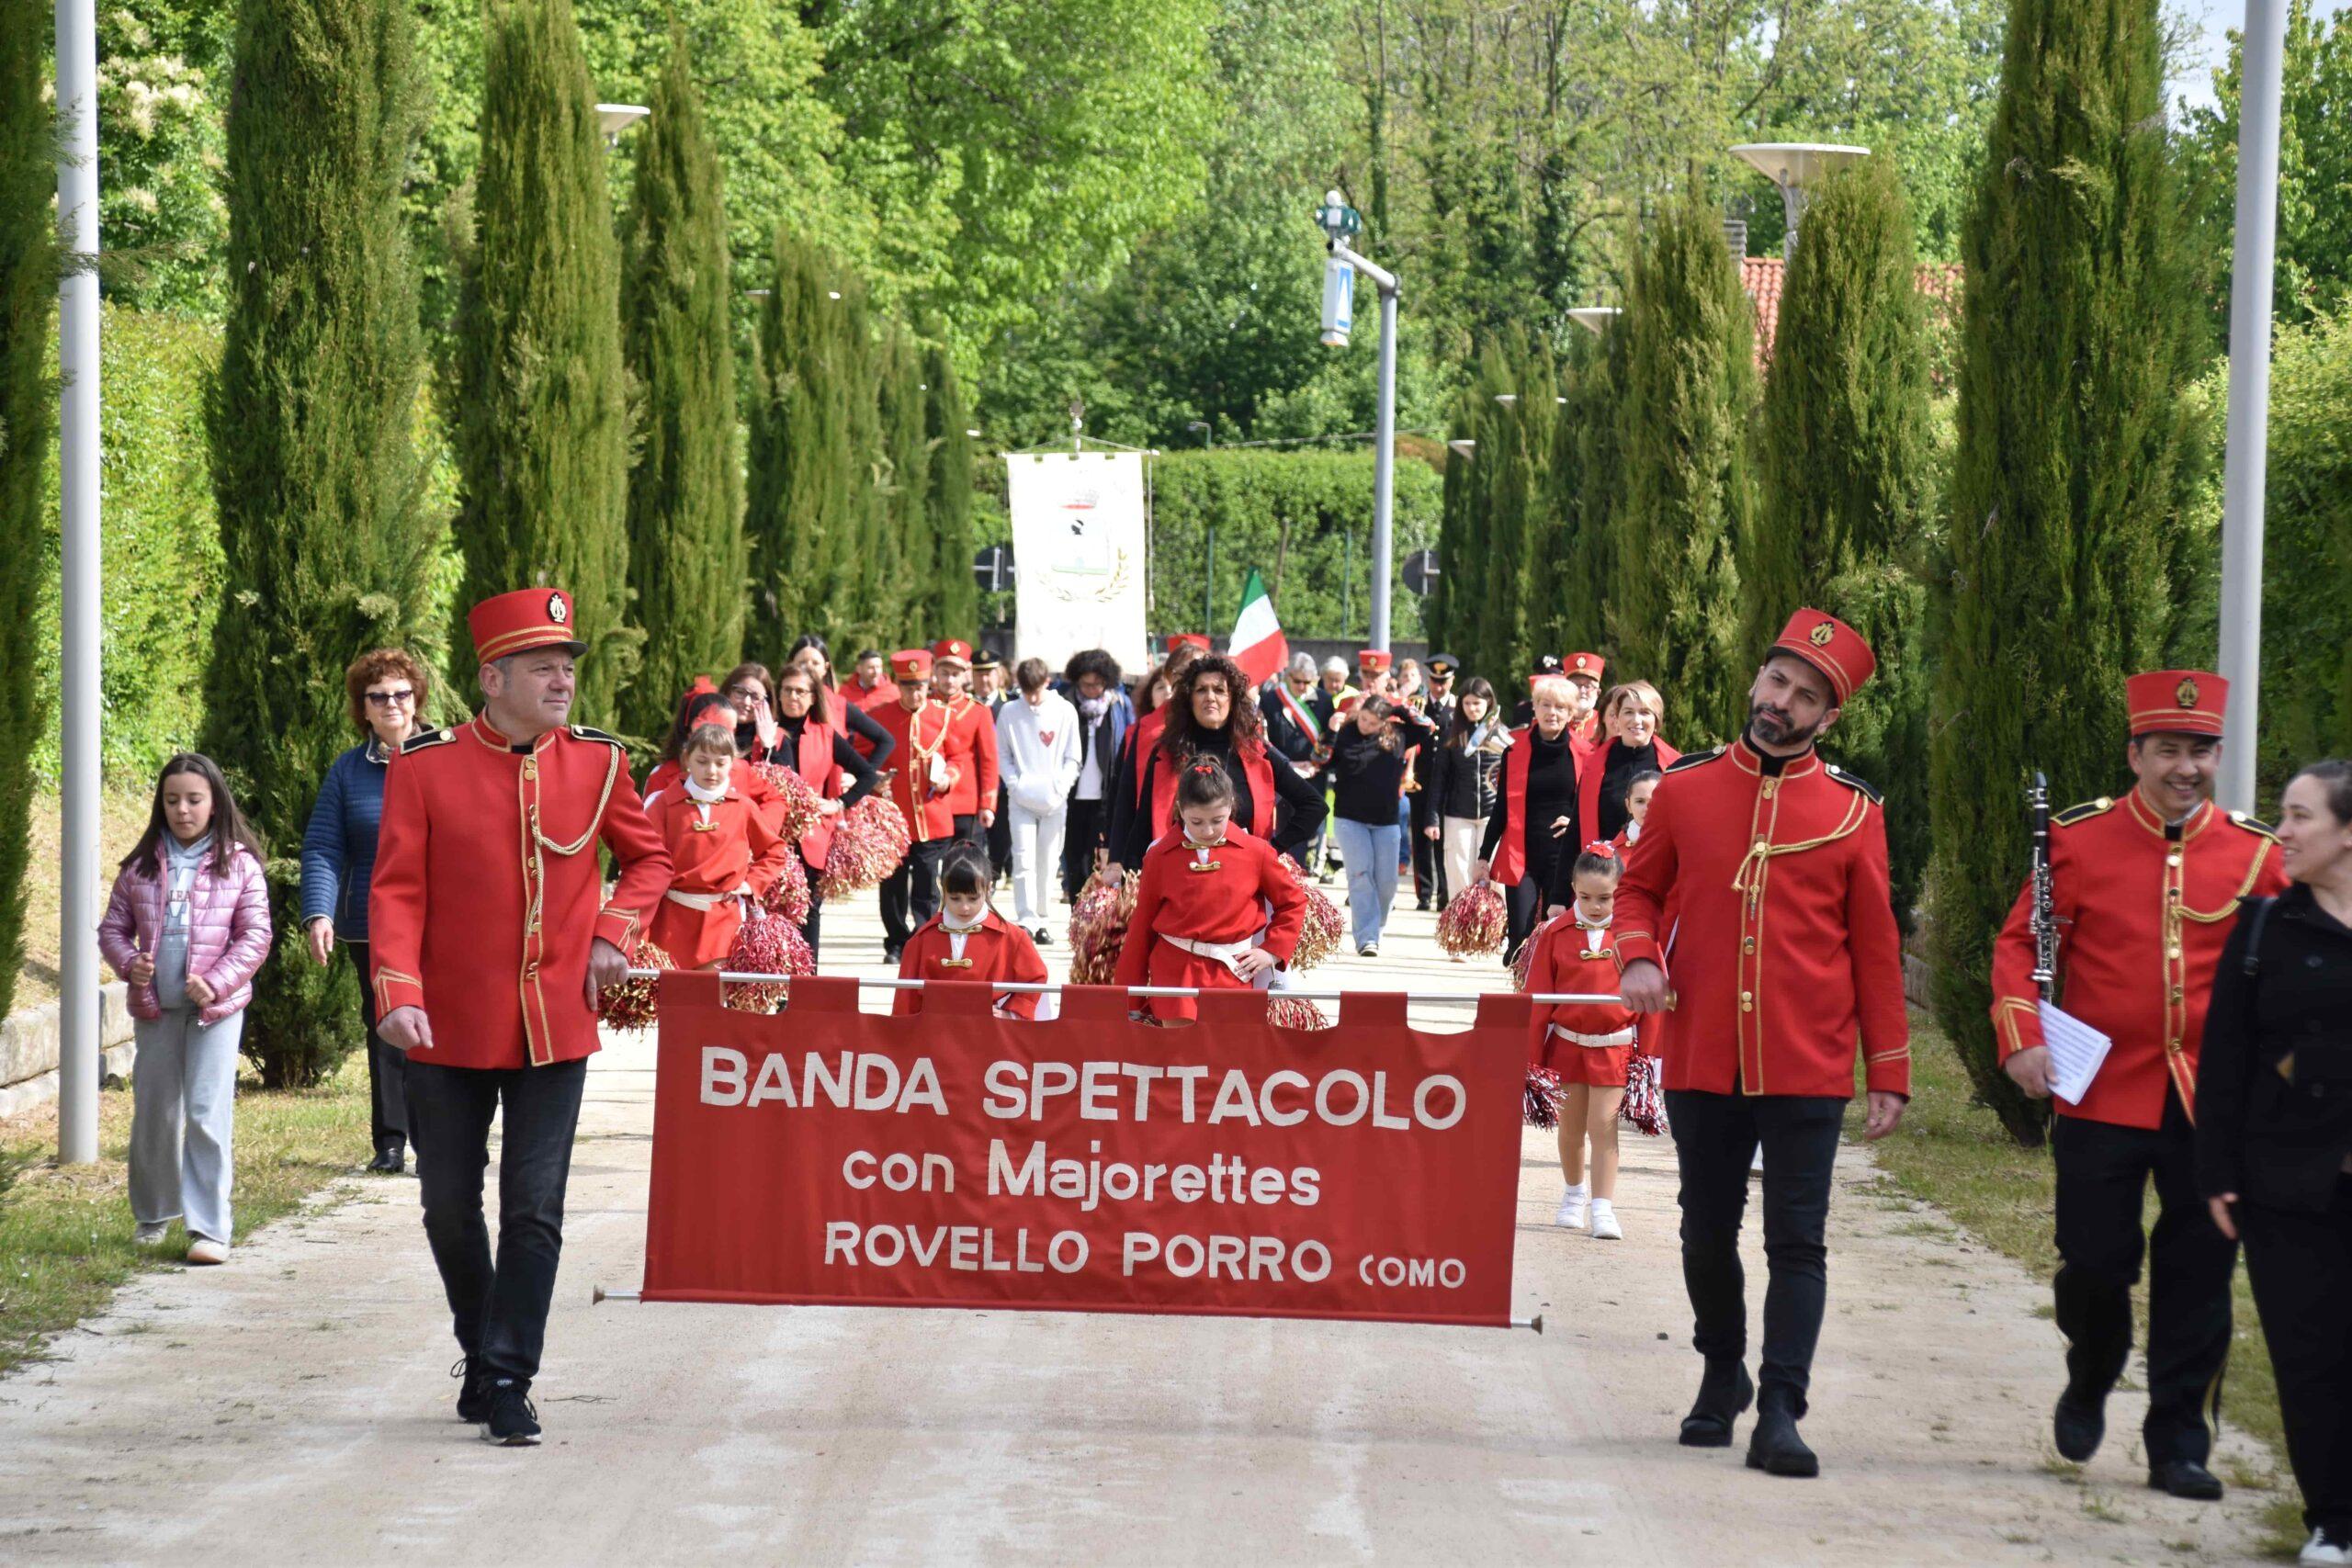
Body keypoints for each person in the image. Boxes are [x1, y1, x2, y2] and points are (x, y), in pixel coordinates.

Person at [368, 587, 674, 1446]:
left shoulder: (600, 764)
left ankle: (508, 1375)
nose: (562, 680)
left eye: (568, 665)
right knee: (445, 1206)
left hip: (554, 1026)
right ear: (491, 677)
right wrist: (398, 993)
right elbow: (395, 890)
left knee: (534, 1209)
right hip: (448, 1026)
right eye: (542, 666)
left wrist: (615, 933)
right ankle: (480, 1341)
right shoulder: (424, 767)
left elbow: (649, 861)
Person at [1614, 607, 1909, 1479]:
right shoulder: (1686, 789)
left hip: (1807, 1059)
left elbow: (1877, 946)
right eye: (1778, 680)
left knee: (1797, 1239)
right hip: (1703, 1049)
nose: (1782, 701)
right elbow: (1637, 893)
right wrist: (1636, 955)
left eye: (1805, 695)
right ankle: (1720, 1373)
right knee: (1705, 1231)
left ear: (1829, 716)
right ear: (1758, 679)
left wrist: (1887, 1067)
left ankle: (1781, 1405)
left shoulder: (1853, 812)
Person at [1989, 669, 2286, 1499]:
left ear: (2217, 754)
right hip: (2102, 1090)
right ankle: (2091, 1373)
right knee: (2092, 1263)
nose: (2184, 767)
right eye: (2167, 750)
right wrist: (2020, 1039)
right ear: (2136, 753)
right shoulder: (2079, 840)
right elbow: (2020, 948)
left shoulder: (2260, 854)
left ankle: (2180, 1439)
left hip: (2212, 1102)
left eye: (2199, 751)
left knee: (2198, 1273)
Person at [2197, 760, 2352, 1566]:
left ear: (2348, 830)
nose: (2280, 832)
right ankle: (2333, 1517)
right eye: (2283, 814)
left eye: (2299, 816)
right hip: (2290, 1182)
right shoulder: (2263, 928)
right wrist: (2217, 1171)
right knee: (2310, 1352)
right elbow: (2224, 1062)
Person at [99, 753, 272, 1268]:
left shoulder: (239, 863)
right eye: (172, 800)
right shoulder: (140, 865)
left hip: (214, 1012)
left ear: (215, 802)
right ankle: (153, 1216)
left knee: (205, 1113)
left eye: (194, 800)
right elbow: (112, 929)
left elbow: (255, 936)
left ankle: (209, 1229)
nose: (182, 810)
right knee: (155, 1112)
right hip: (155, 1010)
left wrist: (215, 983)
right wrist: (131, 963)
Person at [300, 648, 431, 1175]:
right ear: (364, 708)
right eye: (378, 696)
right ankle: (392, 1142)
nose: (392, 703)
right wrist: (320, 912)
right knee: (387, 1027)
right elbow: (324, 847)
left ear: (417, 697)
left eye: (401, 693)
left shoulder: (447, 755)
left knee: (440, 1032)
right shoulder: (348, 772)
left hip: (441, 923)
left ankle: (439, 1139)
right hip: (371, 926)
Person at [1114, 760, 1309, 1023]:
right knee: (1181, 1058)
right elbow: (1142, 926)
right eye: (1196, 821)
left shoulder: (1257, 852)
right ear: (1181, 810)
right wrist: (1130, 994)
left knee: (1228, 1059)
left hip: (1232, 972)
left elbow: (1293, 902)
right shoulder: (1159, 856)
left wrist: (1272, 950)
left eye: (1217, 820)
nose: (1207, 831)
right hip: (1174, 974)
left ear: (1230, 806)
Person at [1105, 653, 1329, 875]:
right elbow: (1142, 823)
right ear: (1189, 699)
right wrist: (1128, 876)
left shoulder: (1258, 753)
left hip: (1243, 884)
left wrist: (1273, 850)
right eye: (1201, 690)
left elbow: (1314, 806)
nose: (1210, 697)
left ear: (1232, 698)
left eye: (1219, 690)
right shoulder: (1165, 753)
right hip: (1179, 883)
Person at [1527, 842, 1643, 1240]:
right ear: (1573, 887)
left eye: (1605, 898)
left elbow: (1653, 994)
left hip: (1614, 1045)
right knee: (1571, 1126)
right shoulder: (1553, 934)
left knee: (1603, 1126)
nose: (1595, 906)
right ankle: (1574, 1196)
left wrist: (1654, 1055)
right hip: (1567, 1045)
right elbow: (1537, 1000)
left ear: (1620, 892)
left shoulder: (1635, 936)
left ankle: (1603, 1207)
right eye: (1585, 896)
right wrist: (1531, 1058)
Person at [645, 724, 793, 968]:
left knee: (713, 998)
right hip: (671, 920)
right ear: (687, 759)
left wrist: (753, 883)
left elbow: (774, 852)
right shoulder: (663, 804)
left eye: (720, 763)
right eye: (702, 761)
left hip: (723, 920)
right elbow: (644, 856)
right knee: (673, 1000)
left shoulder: (743, 807)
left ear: (732, 764)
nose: (711, 770)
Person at [761, 660, 879, 958]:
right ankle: (777, 983)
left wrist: (839, 803)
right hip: (773, 837)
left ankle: (807, 987)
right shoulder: (766, 734)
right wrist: (764, 747)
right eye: (787, 690)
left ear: (813, 697)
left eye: (801, 691)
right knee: (774, 914)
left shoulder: (825, 734)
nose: (793, 697)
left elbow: (867, 775)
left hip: (813, 839)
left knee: (809, 913)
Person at [1474, 676, 1585, 964]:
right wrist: (1484, 856)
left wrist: (1574, 821)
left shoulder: (1585, 754)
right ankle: (1521, 999)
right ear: (1534, 708)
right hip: (1520, 856)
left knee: (1553, 935)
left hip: (1564, 858)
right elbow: (1501, 807)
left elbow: (1589, 804)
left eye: (1561, 707)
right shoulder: (1515, 750)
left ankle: (1543, 999)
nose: (1552, 712)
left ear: (1572, 713)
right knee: (1519, 938)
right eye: (1545, 705)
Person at [1326, 694, 1439, 956]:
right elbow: (1322, 759)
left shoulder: (1397, 734)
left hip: (1386, 820)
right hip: (1350, 818)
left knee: (1387, 883)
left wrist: (1398, 707)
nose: (1367, 725)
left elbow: (1428, 726)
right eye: (1364, 719)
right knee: (1361, 875)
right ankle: (1366, 938)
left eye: (1374, 722)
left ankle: (1376, 927)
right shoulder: (1346, 732)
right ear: (1359, 712)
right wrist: (1330, 731)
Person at [893, 845, 1050, 1019]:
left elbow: (1036, 977)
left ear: (989, 888)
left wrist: (1011, 1013)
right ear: (942, 888)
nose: (964, 907)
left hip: (991, 1036)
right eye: (955, 898)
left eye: (973, 898)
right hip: (935, 1037)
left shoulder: (1012, 937)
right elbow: (905, 1001)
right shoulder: (921, 939)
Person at [872, 649, 957, 964]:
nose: (915, 692)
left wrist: (949, 775)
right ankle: (895, 941)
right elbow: (862, 757)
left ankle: (923, 939)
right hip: (892, 820)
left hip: (931, 817)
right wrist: (875, 779)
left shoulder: (943, 715)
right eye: (908, 686)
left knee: (926, 884)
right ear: (898, 685)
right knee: (892, 886)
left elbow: (958, 756)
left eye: (920, 685)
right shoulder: (880, 717)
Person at [996, 658, 1081, 941]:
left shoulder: (1064, 710)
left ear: (1047, 682)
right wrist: (1014, 785)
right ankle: (1026, 918)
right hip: (1021, 799)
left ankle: (1042, 918)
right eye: (1025, 691)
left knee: (1048, 860)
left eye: (1036, 691)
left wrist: (1062, 788)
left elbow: (1073, 757)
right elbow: (1003, 755)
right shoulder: (1010, 711)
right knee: (1023, 859)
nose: (1031, 699)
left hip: (1054, 798)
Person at [1428, 677, 1505, 922]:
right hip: (1458, 814)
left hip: (1492, 816)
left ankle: (1493, 929)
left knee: (1495, 876)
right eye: (1468, 703)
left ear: (1489, 703)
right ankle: (1460, 932)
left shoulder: (1502, 735)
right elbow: (1439, 779)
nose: (1473, 708)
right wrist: (1432, 817)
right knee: (1458, 873)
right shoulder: (1453, 736)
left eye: (1478, 703)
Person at [1060, 649, 1133, 897]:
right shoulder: (1065, 704)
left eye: (1098, 684)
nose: (1092, 689)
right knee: (1073, 859)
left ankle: (1095, 914)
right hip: (1071, 795)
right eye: (1086, 684)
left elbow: (1127, 744)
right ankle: (1075, 910)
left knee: (1100, 859)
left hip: (1104, 795)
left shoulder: (1118, 705)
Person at [1580, 680, 1682, 846]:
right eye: (1628, 712)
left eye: (1644, 712)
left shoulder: (1675, 767)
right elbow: (1576, 830)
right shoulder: (1593, 765)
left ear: (1656, 721)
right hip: (1605, 868)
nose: (1636, 720)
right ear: (1617, 718)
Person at [929, 638, 1001, 852]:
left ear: (965, 675)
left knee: (963, 865)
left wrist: (987, 804)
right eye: (945, 673)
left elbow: (989, 761)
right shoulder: (924, 707)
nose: (950, 680)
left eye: (956, 674)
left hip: (965, 803)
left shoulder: (978, 711)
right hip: (930, 801)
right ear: (935, 672)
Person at [1411, 654, 1462, 908]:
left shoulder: (1457, 709)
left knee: (1445, 840)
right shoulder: (1417, 706)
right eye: (1434, 680)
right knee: (1420, 840)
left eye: (1444, 681)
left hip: (1448, 785)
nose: (1438, 686)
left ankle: (1445, 892)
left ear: (1452, 680)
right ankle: (1424, 893)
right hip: (1419, 783)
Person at [973, 650, 1014, 877]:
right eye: (978, 674)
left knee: (1001, 841)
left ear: (999, 675)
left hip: (1003, 786)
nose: (984, 680)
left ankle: (995, 877)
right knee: (974, 842)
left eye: (989, 674)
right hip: (973, 785)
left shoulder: (1011, 706)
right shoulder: (966, 705)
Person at [1261, 652, 1324, 764]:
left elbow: (1328, 741)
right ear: (1288, 676)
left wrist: (1317, 765)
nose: (1301, 687)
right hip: (1281, 770)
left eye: (1306, 682)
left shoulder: (1325, 700)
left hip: (1313, 771)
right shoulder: (1270, 699)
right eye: (1297, 681)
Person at [842, 648, 899, 761]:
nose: (876, 672)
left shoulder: (893, 692)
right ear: (859, 669)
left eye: (879, 667)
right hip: (852, 755)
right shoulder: (844, 692)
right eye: (871, 668)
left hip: (882, 754)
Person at [1610, 769, 1662, 857]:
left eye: (1654, 801)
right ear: (1628, 805)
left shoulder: (1682, 845)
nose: (1647, 808)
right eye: (1640, 801)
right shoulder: (1611, 855)